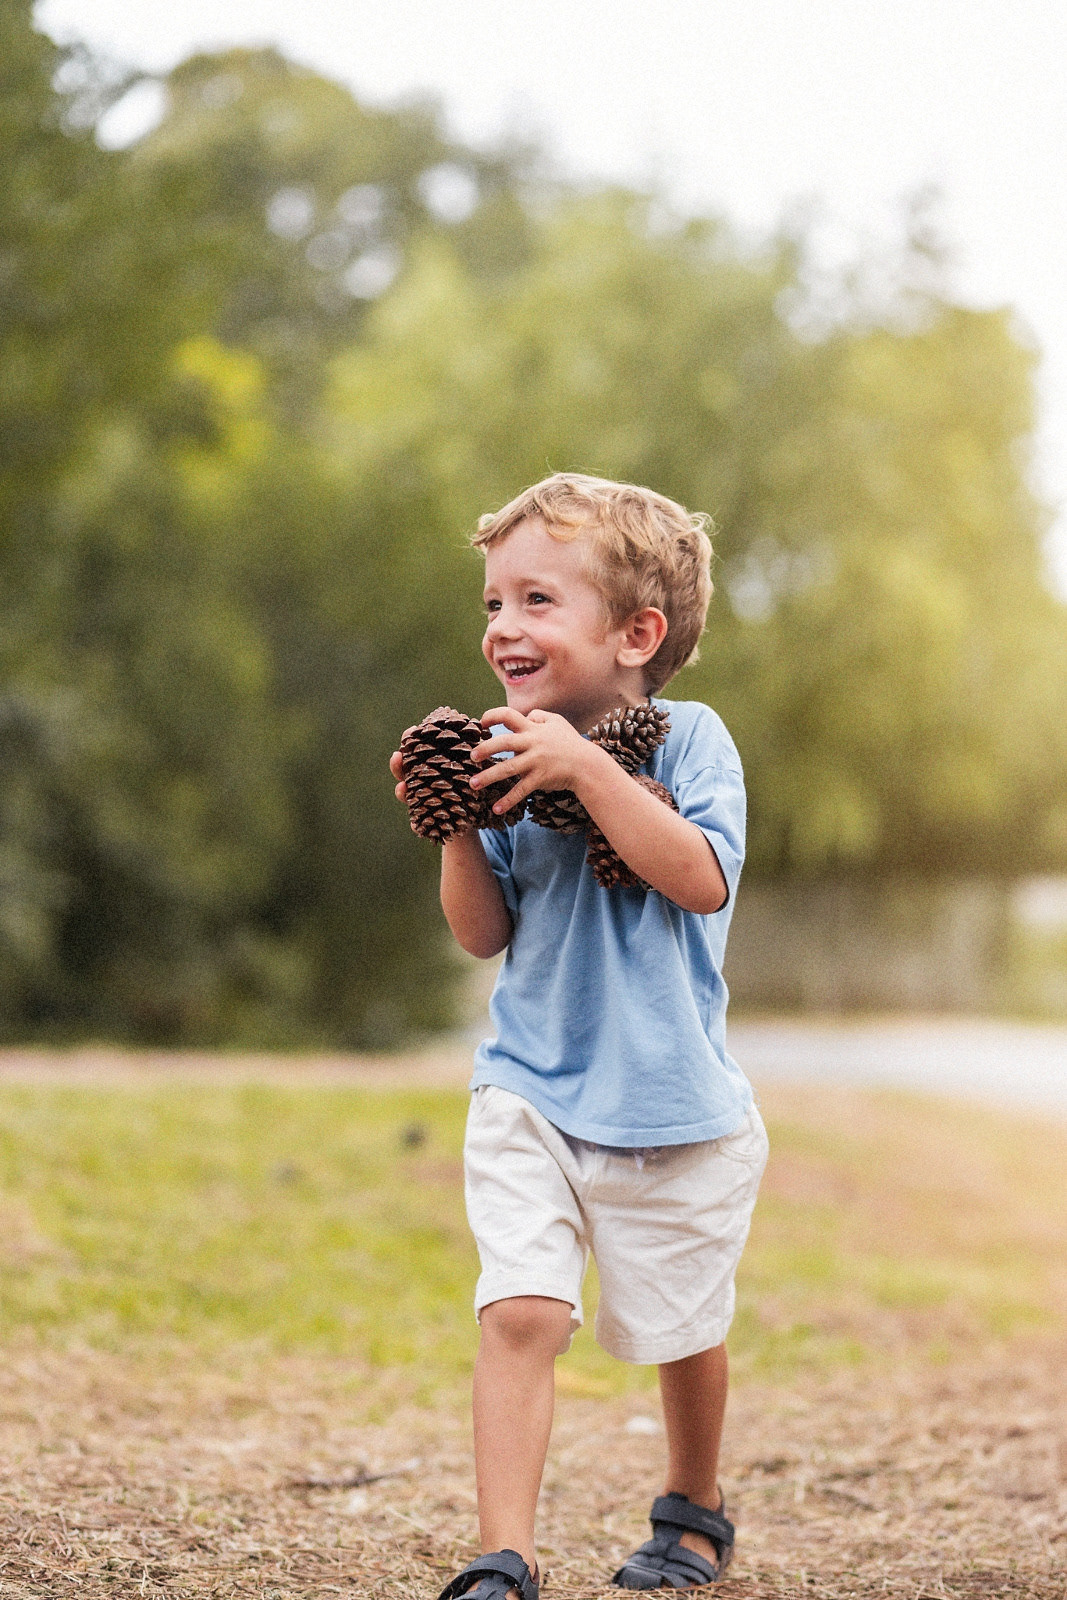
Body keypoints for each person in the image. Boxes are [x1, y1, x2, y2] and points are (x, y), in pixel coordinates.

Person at [389, 473, 768, 1600]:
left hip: (672, 1104)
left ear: (635, 633)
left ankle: (691, 1507)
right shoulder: (506, 750)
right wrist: (456, 826)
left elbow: (698, 878)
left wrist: (592, 771)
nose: (503, 626)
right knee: (519, 1310)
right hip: (530, 1089)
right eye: (493, 603)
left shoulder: (691, 741)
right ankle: (503, 1556)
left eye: (537, 600)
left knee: (681, 1323)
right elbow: (481, 933)